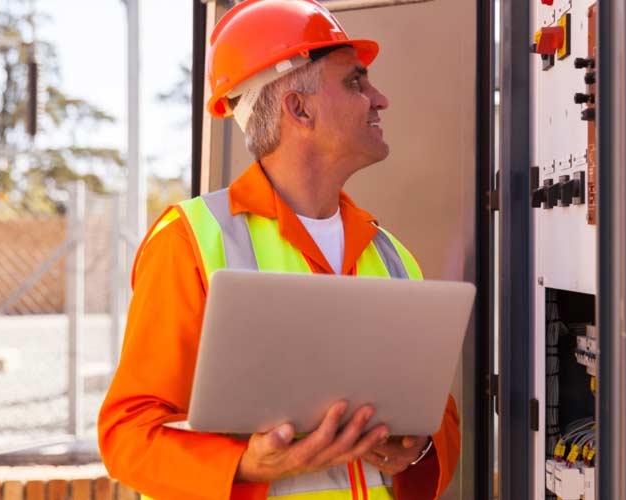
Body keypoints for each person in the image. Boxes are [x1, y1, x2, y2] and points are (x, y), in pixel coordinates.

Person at [98, 1, 460, 499]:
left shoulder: (389, 251)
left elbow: (437, 413)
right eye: (355, 82)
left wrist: (419, 447)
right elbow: (129, 438)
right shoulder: (188, 242)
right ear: (299, 108)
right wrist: (243, 464)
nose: (380, 99)